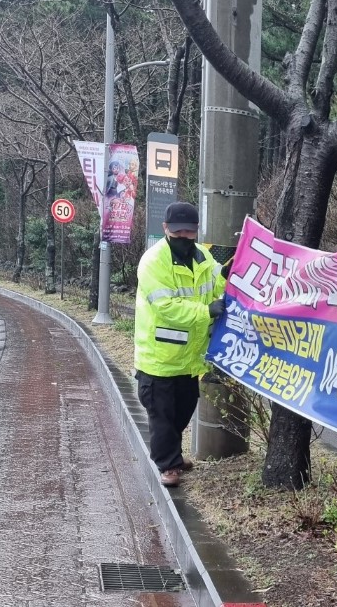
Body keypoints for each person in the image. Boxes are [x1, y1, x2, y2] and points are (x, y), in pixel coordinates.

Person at [134, 201, 227, 488]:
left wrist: (229, 278)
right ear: (166, 229)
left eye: (189, 232)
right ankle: (169, 465)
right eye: (178, 231)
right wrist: (206, 311)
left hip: (189, 359)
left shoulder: (204, 260)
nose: (184, 237)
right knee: (161, 415)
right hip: (158, 358)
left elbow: (218, 286)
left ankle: (171, 453)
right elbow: (166, 307)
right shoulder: (153, 262)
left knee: (184, 408)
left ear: (196, 231)